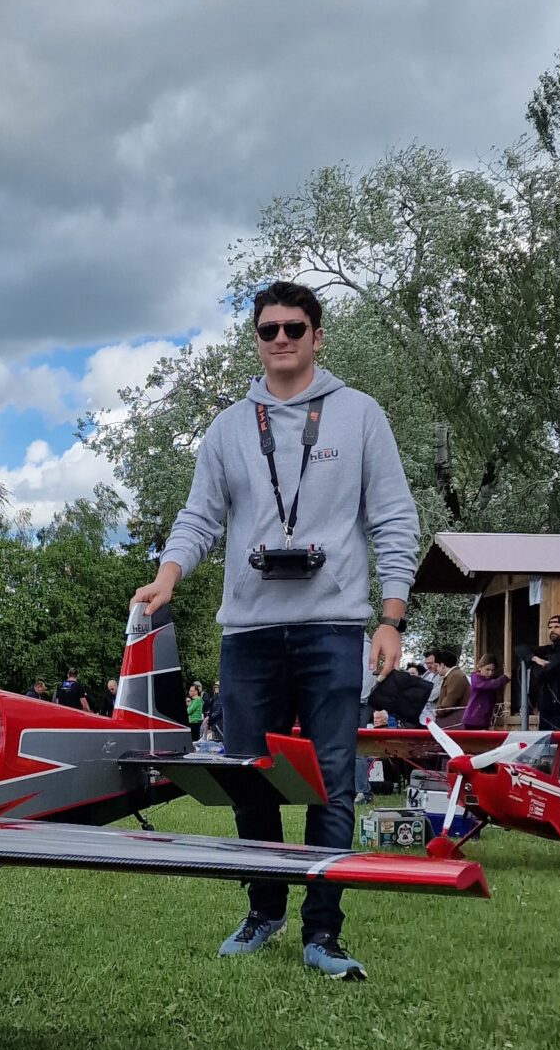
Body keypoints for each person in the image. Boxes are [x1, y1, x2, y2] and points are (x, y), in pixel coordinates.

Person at [132, 277, 419, 979]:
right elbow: (199, 517)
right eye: (269, 329)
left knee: (332, 782)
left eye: (295, 328)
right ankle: (264, 909)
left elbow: (393, 518)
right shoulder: (230, 427)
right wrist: (168, 576)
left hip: (333, 628)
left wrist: (391, 617)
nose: (282, 339)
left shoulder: (359, 415)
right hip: (249, 633)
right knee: (249, 780)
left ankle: (323, 932)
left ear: (317, 337)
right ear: (256, 340)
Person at [461, 656, 507, 729]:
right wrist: (504, 679)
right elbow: (488, 685)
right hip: (473, 719)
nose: (490, 673)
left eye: (493, 670)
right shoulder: (476, 679)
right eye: (487, 669)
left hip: (484, 719)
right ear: (480, 667)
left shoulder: (491, 680)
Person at [431, 646, 469, 719]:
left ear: (442, 665)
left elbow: (450, 700)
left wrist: (437, 711)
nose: (436, 669)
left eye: (437, 666)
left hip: (455, 719)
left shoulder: (455, 676)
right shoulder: (453, 675)